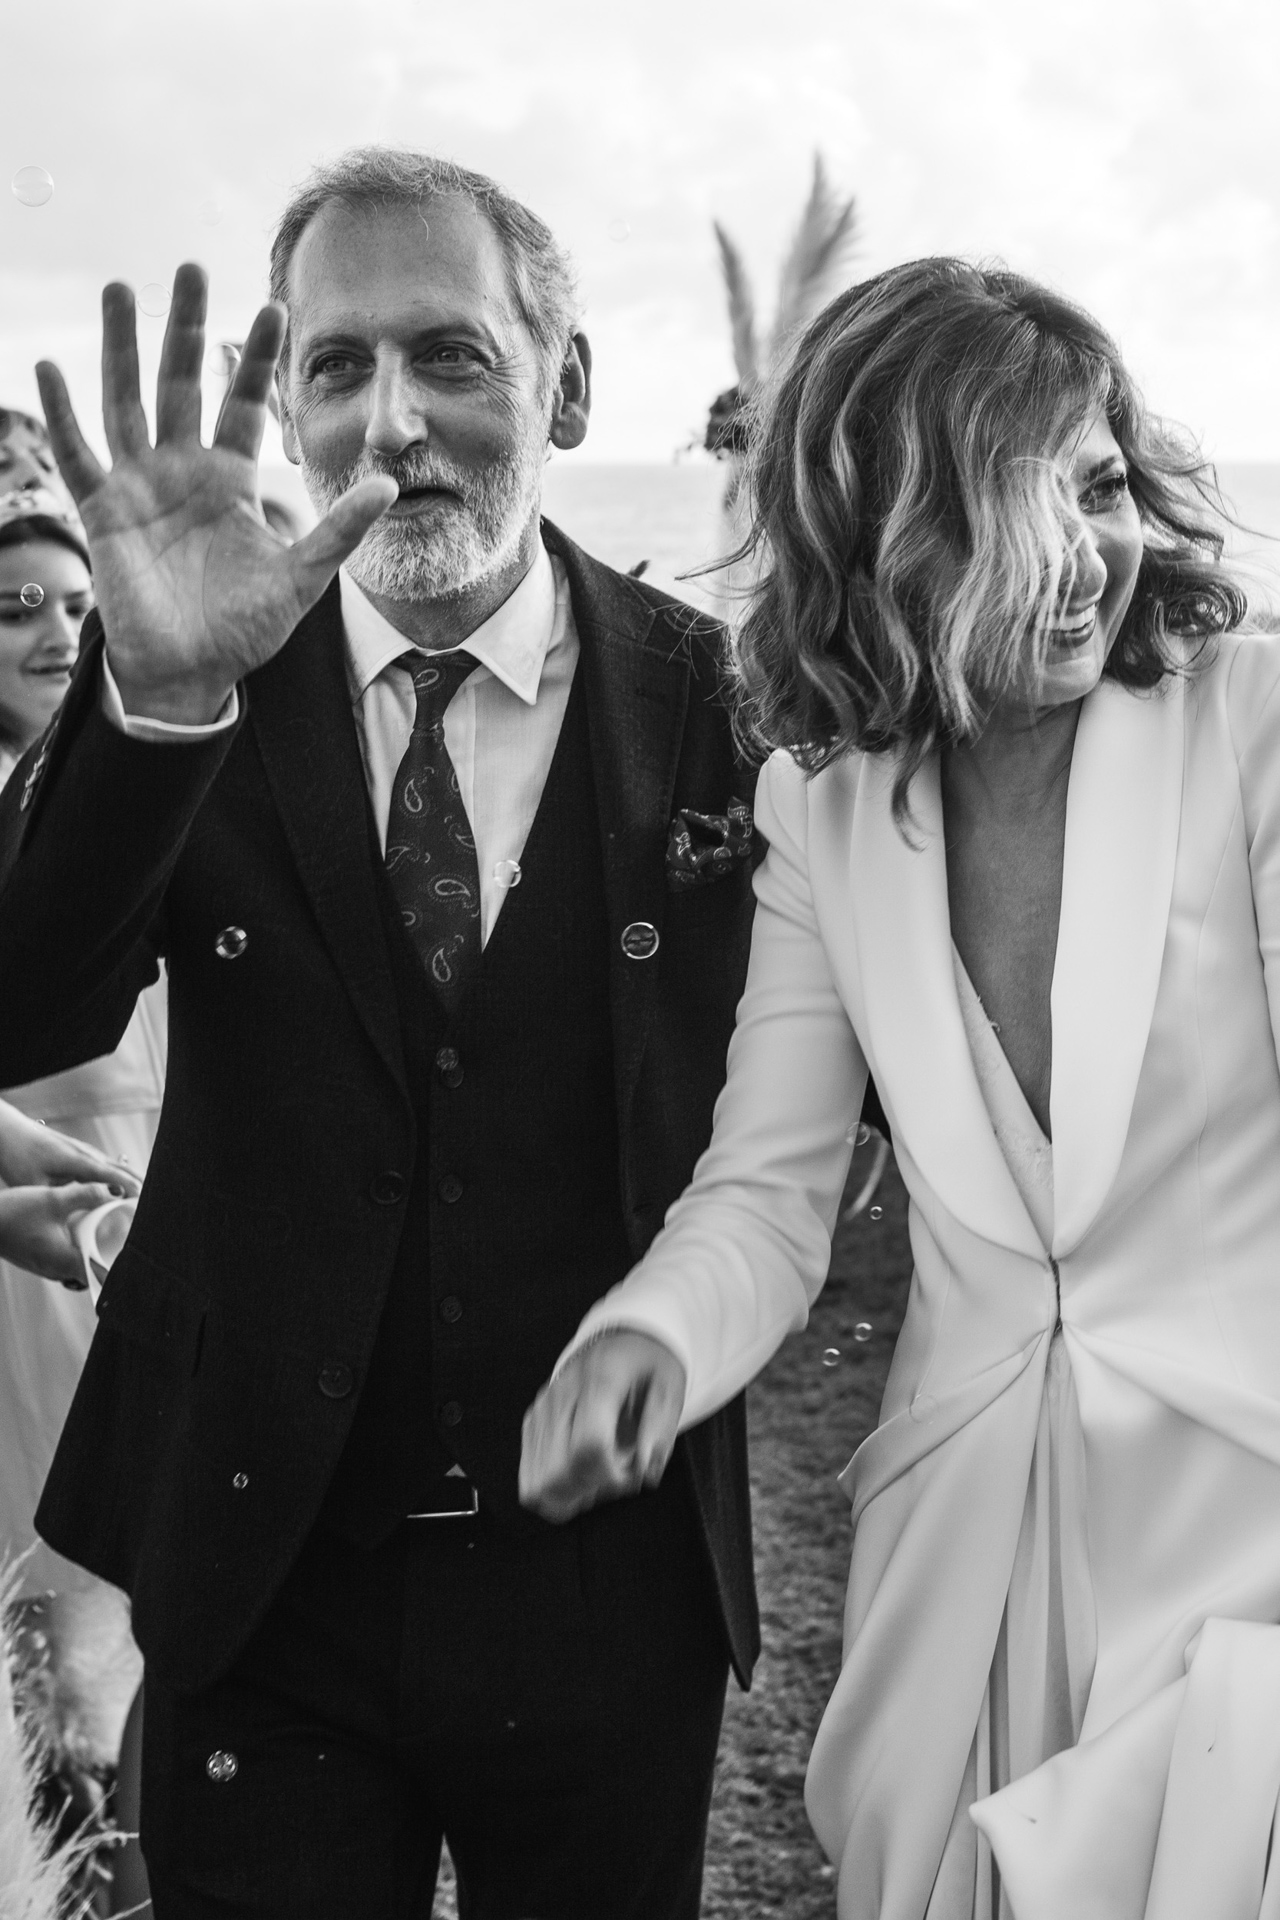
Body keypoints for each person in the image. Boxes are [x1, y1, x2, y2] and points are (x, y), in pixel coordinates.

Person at [0, 148, 761, 1918]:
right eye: (335, 365)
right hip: (257, 1563)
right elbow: (29, 1004)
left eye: (451, 355)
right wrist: (155, 706)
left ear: (567, 386)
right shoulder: (197, 672)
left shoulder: (721, 704)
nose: (389, 420)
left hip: (606, 1575)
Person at [522, 258, 1280, 1919]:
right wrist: (651, 1339)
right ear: (880, 544)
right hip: (961, 1556)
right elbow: (768, 1190)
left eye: (1101, 487)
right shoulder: (826, 813)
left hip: (1247, 1530)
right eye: (1013, 511)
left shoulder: (1255, 724)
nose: (1084, 558)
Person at [0, 476, 160, 1913]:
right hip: (33, 1256)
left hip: (158, 1206)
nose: (56, 631)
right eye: (16, 608)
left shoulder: (162, 789)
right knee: (58, 1611)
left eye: (76, 602)